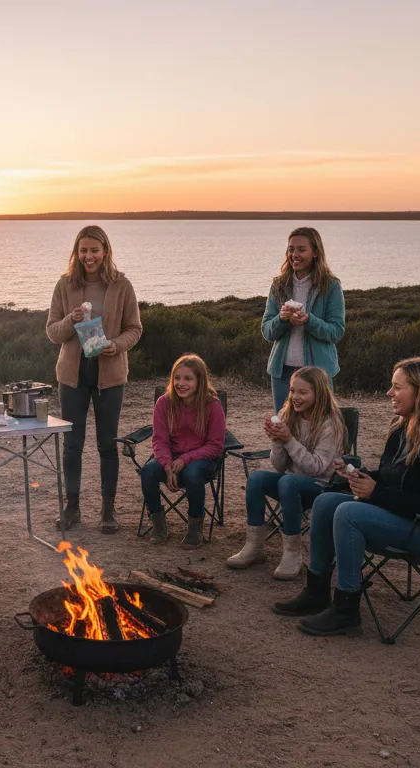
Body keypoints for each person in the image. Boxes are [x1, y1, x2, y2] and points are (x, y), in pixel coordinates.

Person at [273, 357, 420, 637]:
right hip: (404, 518)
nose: (389, 393)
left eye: (397, 387)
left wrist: (377, 493)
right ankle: (317, 591)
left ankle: (346, 609)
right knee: (325, 503)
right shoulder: (402, 428)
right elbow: (393, 478)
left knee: (349, 514)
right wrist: (357, 474)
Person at [45, 225, 143, 534]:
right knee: (72, 444)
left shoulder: (121, 285)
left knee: (107, 444)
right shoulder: (64, 285)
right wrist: (70, 320)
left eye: (94, 250)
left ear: (105, 252)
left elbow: (135, 328)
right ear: (77, 252)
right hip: (73, 376)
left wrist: (116, 345)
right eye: (83, 250)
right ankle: (72, 507)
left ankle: (107, 509)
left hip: (109, 374)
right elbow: (52, 333)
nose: (89, 256)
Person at [227, 366, 347, 578]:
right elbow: (279, 465)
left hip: (322, 487)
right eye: (292, 391)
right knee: (257, 478)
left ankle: (292, 554)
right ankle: (254, 547)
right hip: (291, 482)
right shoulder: (288, 414)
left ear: (318, 394)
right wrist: (277, 442)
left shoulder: (330, 424)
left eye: (303, 392)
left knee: (288, 482)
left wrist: (289, 439)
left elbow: (316, 468)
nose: (295, 397)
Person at [140, 354, 227, 548]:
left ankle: (195, 527)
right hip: (171, 457)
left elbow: (215, 445)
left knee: (192, 472)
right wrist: (167, 465)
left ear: (200, 381)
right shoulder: (164, 403)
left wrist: (186, 459)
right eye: (177, 378)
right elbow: (160, 440)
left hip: (203, 458)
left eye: (188, 379)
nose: (181, 383)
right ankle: (159, 525)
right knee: (148, 471)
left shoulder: (212, 405)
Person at [260, 227, 345, 412]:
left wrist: (309, 320)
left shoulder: (330, 286)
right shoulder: (279, 285)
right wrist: (281, 319)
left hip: (317, 373)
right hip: (283, 372)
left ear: (315, 252)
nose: (294, 255)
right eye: (291, 249)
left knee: (319, 427)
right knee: (284, 426)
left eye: (301, 249)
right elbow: (267, 330)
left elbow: (336, 331)